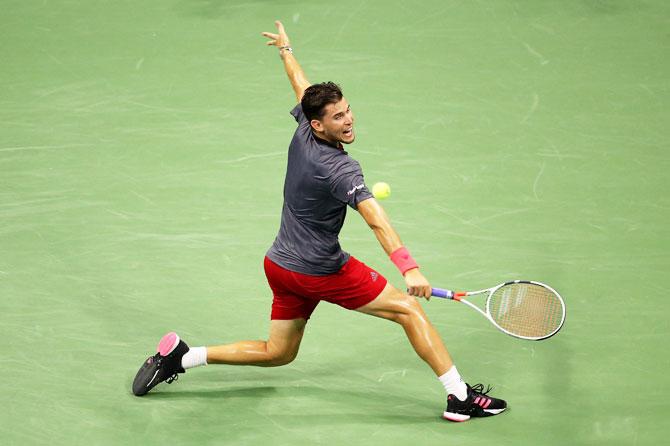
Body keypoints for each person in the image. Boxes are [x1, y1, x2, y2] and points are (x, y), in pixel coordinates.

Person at [132, 20, 507, 422]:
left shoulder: (304, 131)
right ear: (318, 124)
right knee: (408, 311)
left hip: (279, 265)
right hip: (318, 270)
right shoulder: (340, 170)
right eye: (338, 117)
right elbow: (376, 220)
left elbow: (300, 86)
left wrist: (286, 51)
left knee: (279, 353)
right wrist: (409, 268)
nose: (348, 120)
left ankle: (182, 358)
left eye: (348, 110)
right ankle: (458, 397)